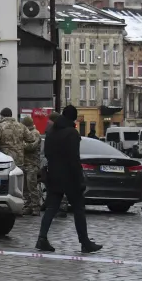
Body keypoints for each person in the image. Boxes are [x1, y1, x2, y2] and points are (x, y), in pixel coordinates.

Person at [37, 105, 103, 254]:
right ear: (73, 118)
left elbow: (46, 153)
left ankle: (42, 238)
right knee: (79, 209)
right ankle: (85, 242)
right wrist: (80, 180)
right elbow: (74, 159)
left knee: (51, 208)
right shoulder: (72, 133)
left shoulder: (51, 132)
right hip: (70, 177)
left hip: (54, 175)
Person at [0, 108, 42, 216]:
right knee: (20, 185)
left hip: (6, 161)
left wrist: (1, 146)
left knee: (8, 184)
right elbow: (31, 138)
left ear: (2, 116)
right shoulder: (21, 126)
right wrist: (18, 145)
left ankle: (9, 207)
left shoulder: (1, 126)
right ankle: (21, 206)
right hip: (20, 160)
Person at [20, 117, 42, 216]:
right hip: (24, 163)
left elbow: (31, 146)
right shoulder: (25, 133)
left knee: (32, 186)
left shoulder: (35, 133)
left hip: (32, 164)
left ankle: (35, 207)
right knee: (25, 187)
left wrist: (20, 144)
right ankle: (27, 206)